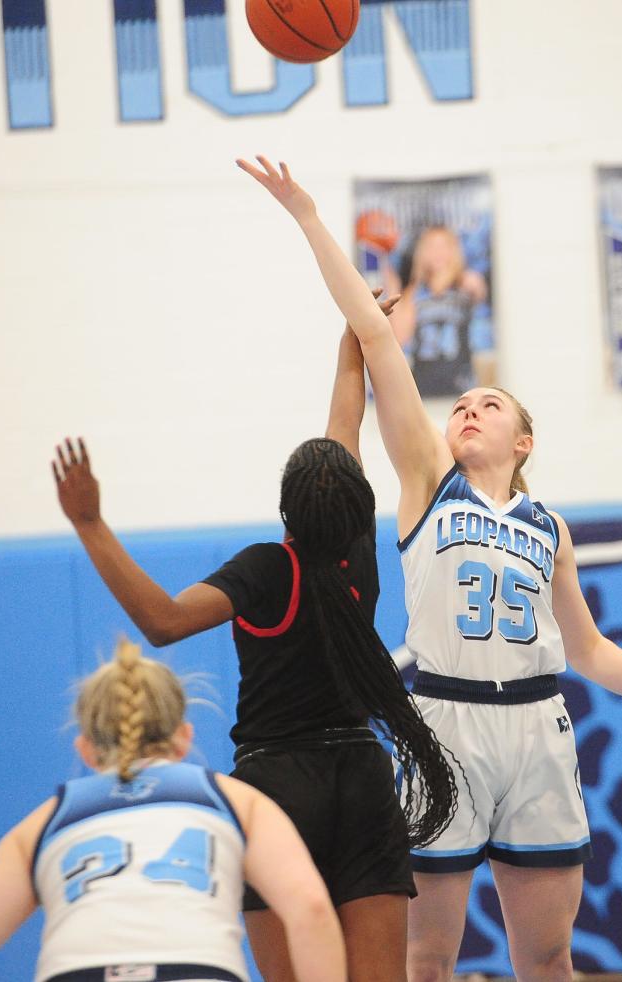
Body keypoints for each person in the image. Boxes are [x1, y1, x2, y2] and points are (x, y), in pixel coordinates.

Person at [236, 155, 622, 982]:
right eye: (461, 404)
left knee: (547, 952)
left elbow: (586, 649)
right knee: (426, 953)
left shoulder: (548, 524)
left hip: (536, 727)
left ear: (523, 441)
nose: (467, 409)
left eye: (490, 404)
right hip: (440, 722)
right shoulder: (425, 481)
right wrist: (307, 213)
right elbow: (375, 335)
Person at [50, 320, 458, 982]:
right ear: (354, 511)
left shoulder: (268, 570)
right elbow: (345, 430)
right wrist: (353, 348)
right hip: (362, 780)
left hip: (275, 792)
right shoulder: (360, 557)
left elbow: (162, 621)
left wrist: (90, 524)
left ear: (285, 512)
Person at [0, 639, 346, 982]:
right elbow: (311, 910)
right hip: (199, 970)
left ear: (85, 749)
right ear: (184, 736)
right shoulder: (234, 802)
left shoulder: (52, 819)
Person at [382, 224, 494, 398]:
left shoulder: (465, 283)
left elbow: (477, 290)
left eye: (443, 246)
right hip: (422, 383)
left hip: (460, 382)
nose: (437, 252)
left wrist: (449, 277)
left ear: (454, 250)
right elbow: (400, 337)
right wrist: (395, 290)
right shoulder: (415, 292)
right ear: (422, 253)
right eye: (431, 246)